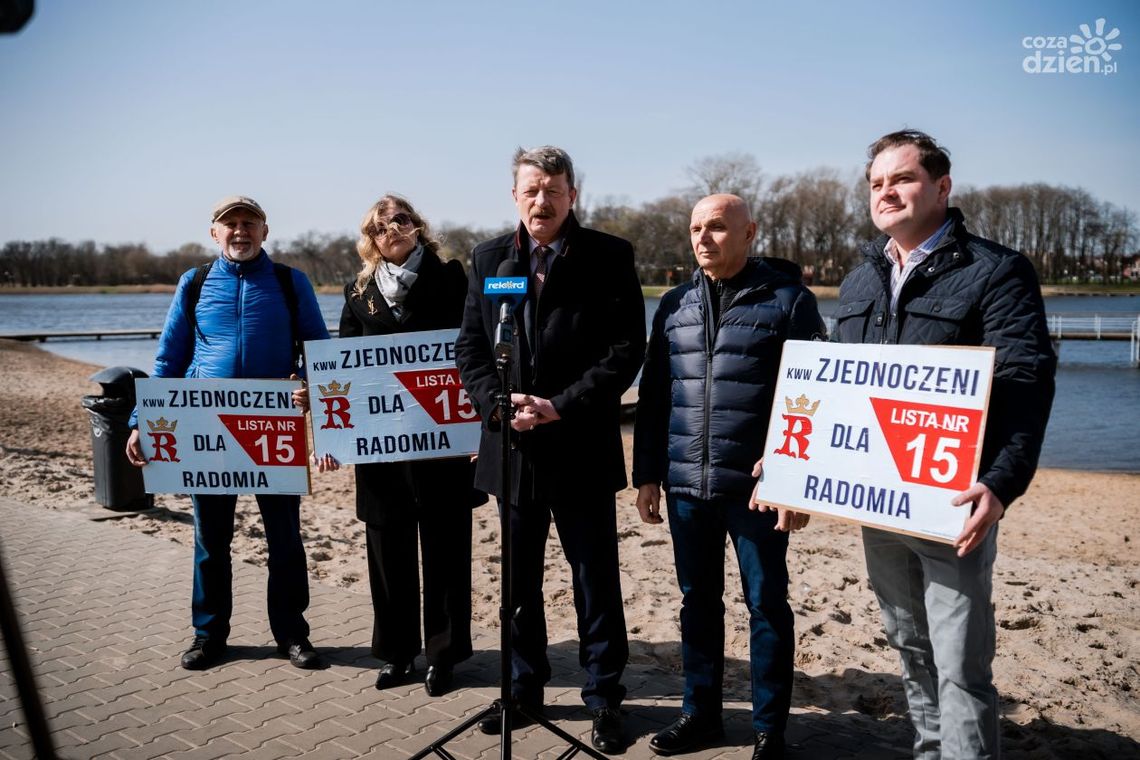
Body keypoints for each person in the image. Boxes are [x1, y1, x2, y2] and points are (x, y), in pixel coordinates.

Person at [834, 130, 1055, 759]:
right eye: (876, 183)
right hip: (876, 500)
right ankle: (929, 751)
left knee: (960, 662)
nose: (886, 192)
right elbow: (836, 390)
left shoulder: (996, 270)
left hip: (953, 500)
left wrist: (1002, 482)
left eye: (900, 179)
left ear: (941, 186)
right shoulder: (859, 280)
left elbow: (1024, 383)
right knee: (908, 645)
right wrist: (794, 458)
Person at [455, 146, 645, 754]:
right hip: (511, 448)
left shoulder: (609, 256)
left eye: (554, 189)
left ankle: (605, 699)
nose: (543, 199)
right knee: (517, 582)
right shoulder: (488, 258)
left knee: (594, 580)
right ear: (515, 196)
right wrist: (499, 405)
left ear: (573, 196)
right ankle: (522, 692)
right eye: (532, 188)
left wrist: (560, 404)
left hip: (580, 444)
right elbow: (471, 350)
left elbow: (624, 349)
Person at [632, 194, 825, 759]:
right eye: (695, 228)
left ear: (749, 232)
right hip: (686, 485)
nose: (703, 238)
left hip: (758, 489)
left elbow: (811, 396)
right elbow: (653, 396)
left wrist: (793, 476)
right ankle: (701, 716)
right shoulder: (673, 304)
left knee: (766, 604)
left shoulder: (791, 302)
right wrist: (647, 473)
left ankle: (770, 729)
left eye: (717, 227)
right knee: (698, 602)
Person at [125, 195, 330, 671]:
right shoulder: (194, 283)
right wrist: (140, 422)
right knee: (210, 540)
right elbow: (169, 359)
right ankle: (208, 635)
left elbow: (318, 351)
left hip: (271, 425)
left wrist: (306, 385)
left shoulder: (288, 281)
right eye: (230, 224)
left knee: (284, 538)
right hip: (206, 428)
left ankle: (292, 635)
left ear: (265, 231)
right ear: (214, 233)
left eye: (249, 224)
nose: (240, 231)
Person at [315, 195, 486, 697]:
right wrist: (330, 436)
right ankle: (397, 654)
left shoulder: (454, 277)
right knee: (387, 555)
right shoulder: (357, 291)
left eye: (402, 219)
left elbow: (473, 352)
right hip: (382, 450)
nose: (392, 228)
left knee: (446, 553)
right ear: (370, 236)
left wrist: (482, 427)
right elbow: (340, 368)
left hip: (444, 443)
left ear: (418, 227)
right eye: (381, 223)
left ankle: (444, 657)